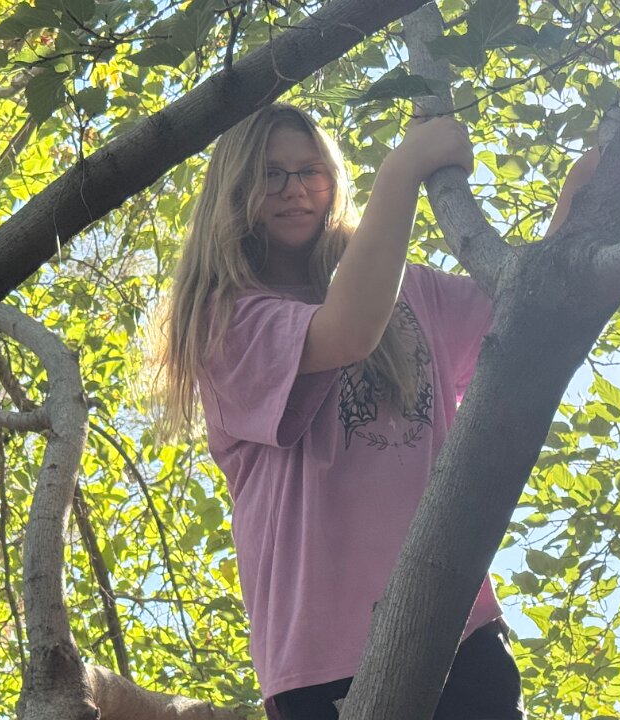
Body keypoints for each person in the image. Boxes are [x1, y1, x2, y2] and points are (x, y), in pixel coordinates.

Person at [156, 102, 592, 719]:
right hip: (323, 659)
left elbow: (528, 320)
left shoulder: (411, 287)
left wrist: (582, 196)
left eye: (310, 171)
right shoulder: (224, 323)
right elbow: (348, 331)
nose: (294, 190)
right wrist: (403, 170)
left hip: (455, 628)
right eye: (270, 174)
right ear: (234, 190)